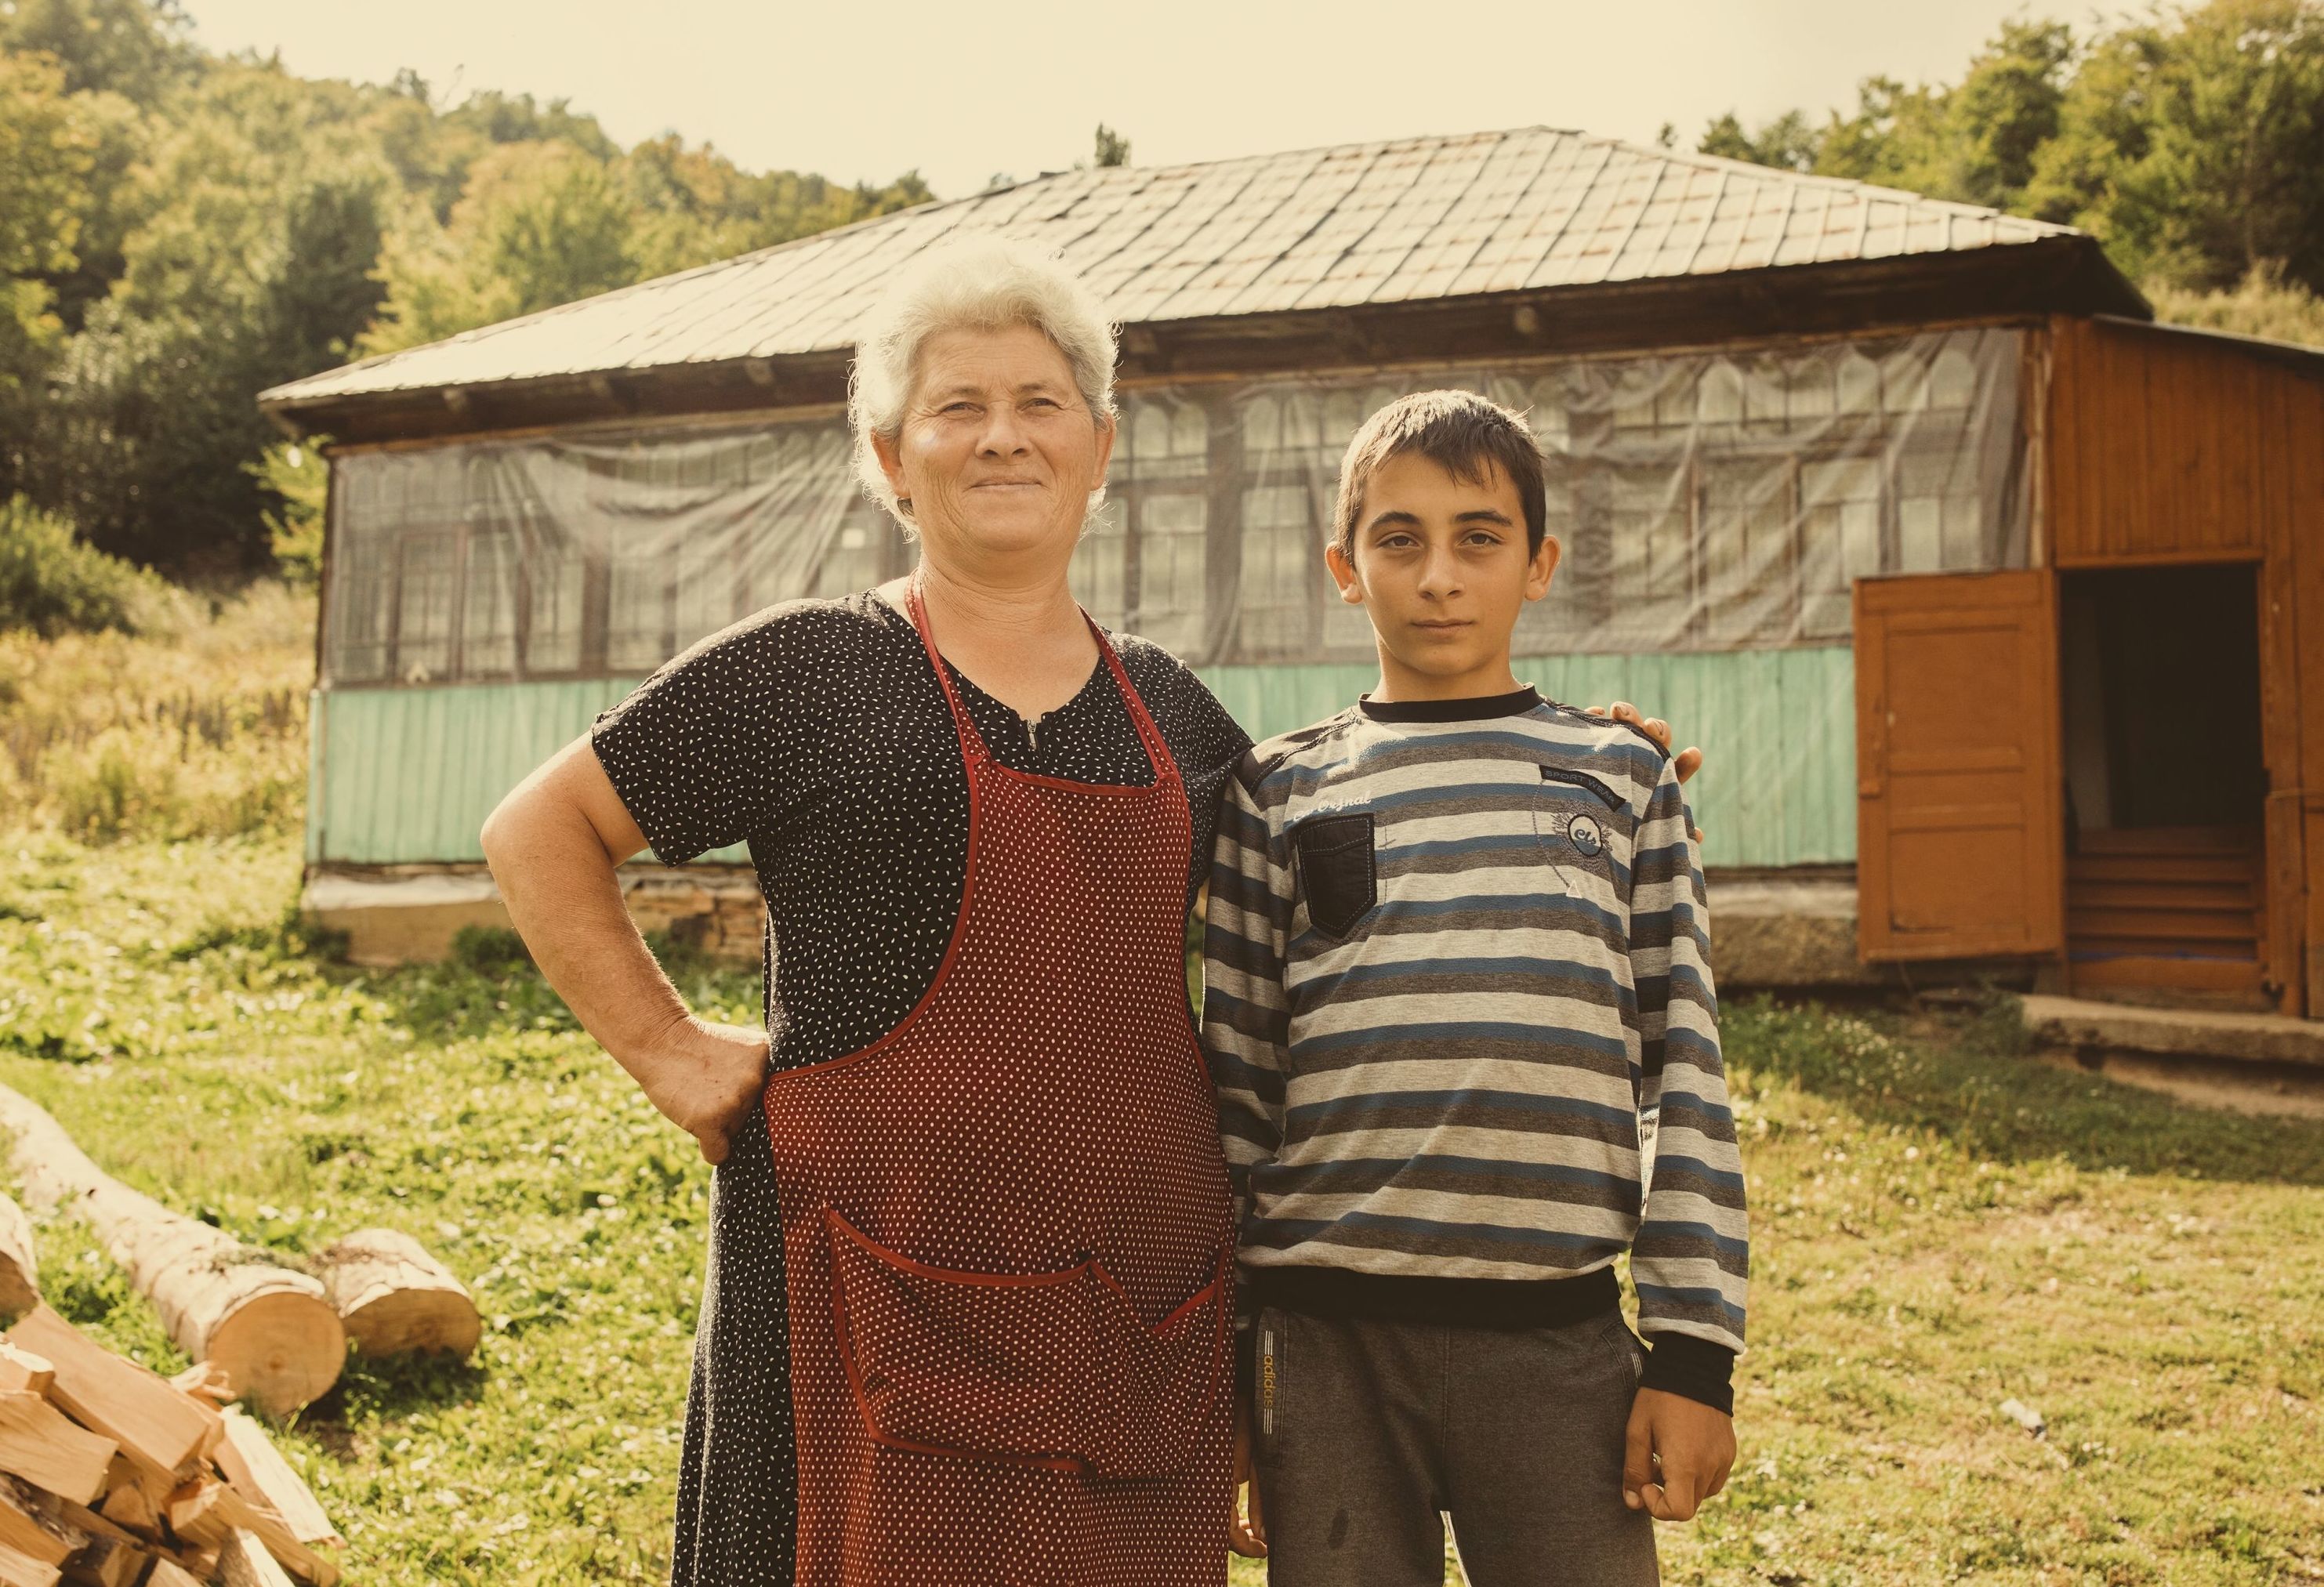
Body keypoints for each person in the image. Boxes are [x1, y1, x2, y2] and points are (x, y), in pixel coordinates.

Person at [480, 238, 1703, 1586]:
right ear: (892, 457)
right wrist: (671, 1050)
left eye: (1039, 402)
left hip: (1135, 1310)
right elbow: (540, 831)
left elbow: (1370, 830)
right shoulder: (808, 667)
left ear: (1100, 445)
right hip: (857, 1290)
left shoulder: (1174, 711)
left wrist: (1574, 761)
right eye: (957, 408)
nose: (1001, 437)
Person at [1203, 390, 1748, 1586]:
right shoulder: (1275, 793)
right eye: (1399, 539)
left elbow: (1686, 1081)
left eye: (1478, 537)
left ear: (1538, 562)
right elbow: (1236, 1097)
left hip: (1555, 1344)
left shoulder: (1623, 779)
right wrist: (1231, 1368)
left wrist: (1692, 1355)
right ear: (1345, 569)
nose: (1438, 575)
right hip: (1326, 1345)